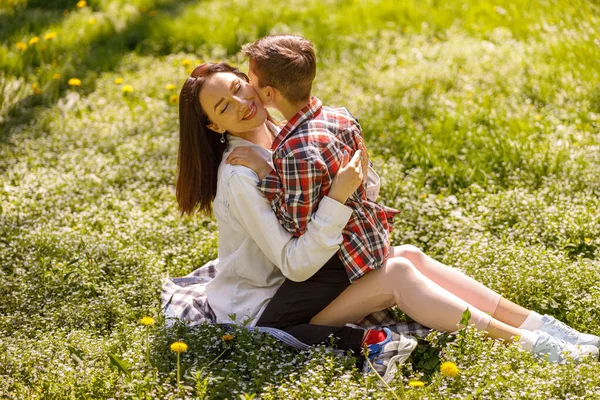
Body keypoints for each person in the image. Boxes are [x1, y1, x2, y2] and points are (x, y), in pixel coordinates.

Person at [223, 35, 600, 364]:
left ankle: (533, 343)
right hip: (366, 245)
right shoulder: (338, 117)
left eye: (249, 82)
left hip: (330, 265)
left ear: (270, 93)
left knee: (276, 332)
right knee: (407, 256)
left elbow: (298, 231)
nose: (247, 92)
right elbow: (364, 182)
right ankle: (547, 329)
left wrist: (271, 176)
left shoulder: (293, 151)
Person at [177, 62, 419, 380]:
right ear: (215, 126)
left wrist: (350, 174)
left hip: (306, 276)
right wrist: (336, 197)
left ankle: (506, 323)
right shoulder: (238, 175)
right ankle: (376, 343)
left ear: (250, 81)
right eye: (224, 107)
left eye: (238, 89)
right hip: (266, 299)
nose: (241, 104)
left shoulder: (286, 135)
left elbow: (362, 196)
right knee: (265, 340)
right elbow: (295, 262)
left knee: (404, 258)